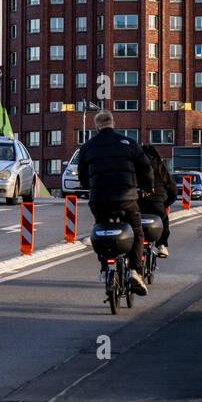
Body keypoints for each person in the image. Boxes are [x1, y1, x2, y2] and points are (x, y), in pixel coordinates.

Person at [78, 108, 153, 295]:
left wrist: (92, 187)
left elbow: (82, 176)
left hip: (100, 200)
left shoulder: (88, 147)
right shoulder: (128, 143)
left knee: (100, 229)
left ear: (96, 127)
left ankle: (105, 267)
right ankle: (135, 270)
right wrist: (147, 187)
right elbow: (146, 167)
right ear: (113, 123)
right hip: (126, 198)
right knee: (136, 232)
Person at [140, 143, 178, 257]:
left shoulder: (134, 165)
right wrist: (166, 203)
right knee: (163, 220)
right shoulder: (160, 166)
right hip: (156, 203)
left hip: (137, 203)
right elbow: (172, 189)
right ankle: (161, 245)